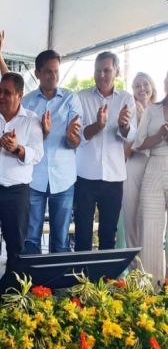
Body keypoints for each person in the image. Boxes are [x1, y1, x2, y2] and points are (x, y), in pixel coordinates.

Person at [0, 72, 44, 296]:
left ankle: (11, 298)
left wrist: (18, 148)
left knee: (16, 248)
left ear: (20, 96)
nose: (0, 96)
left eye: (7, 93)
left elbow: (37, 154)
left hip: (17, 195)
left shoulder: (31, 120)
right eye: (0, 91)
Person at [19, 50, 83, 254]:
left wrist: (72, 136)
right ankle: (31, 286)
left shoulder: (70, 99)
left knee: (61, 241)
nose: (53, 76)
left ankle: (58, 287)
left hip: (63, 179)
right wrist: (42, 134)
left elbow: (74, 142)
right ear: (37, 73)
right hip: (33, 178)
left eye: (56, 71)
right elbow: (22, 143)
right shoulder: (26, 102)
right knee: (30, 240)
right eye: (48, 72)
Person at [74, 51, 136, 251]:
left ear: (116, 71)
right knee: (82, 233)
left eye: (106, 70)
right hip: (85, 176)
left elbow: (130, 135)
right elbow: (78, 136)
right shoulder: (81, 97)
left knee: (108, 235)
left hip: (114, 177)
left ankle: (104, 282)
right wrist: (97, 126)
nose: (101, 75)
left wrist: (123, 125)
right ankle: (81, 281)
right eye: (98, 70)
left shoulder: (126, 99)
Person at [133, 71, 168, 286]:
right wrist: (159, 137)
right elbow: (138, 143)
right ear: (165, 84)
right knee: (150, 230)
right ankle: (151, 291)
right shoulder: (152, 110)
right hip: (154, 167)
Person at [121, 72, 156, 254]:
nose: (142, 88)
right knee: (131, 221)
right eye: (137, 86)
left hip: (156, 170)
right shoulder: (129, 110)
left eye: (145, 84)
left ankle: (156, 276)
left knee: (153, 224)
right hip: (133, 168)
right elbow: (126, 150)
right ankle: (135, 275)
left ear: (152, 87)